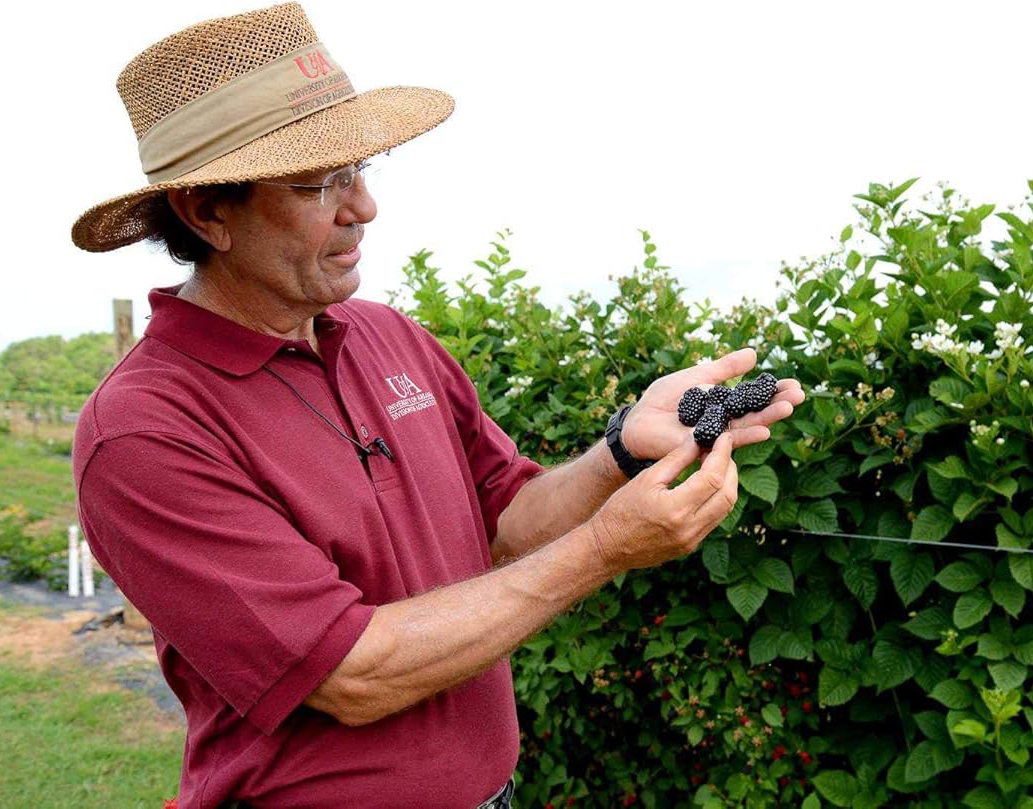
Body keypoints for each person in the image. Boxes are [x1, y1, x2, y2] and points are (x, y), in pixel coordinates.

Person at [69, 4, 805, 808]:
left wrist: (622, 449)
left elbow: (506, 523)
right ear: (207, 212)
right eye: (319, 182)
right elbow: (351, 672)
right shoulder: (146, 429)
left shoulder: (389, 337)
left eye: (362, 169)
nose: (363, 208)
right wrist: (606, 549)